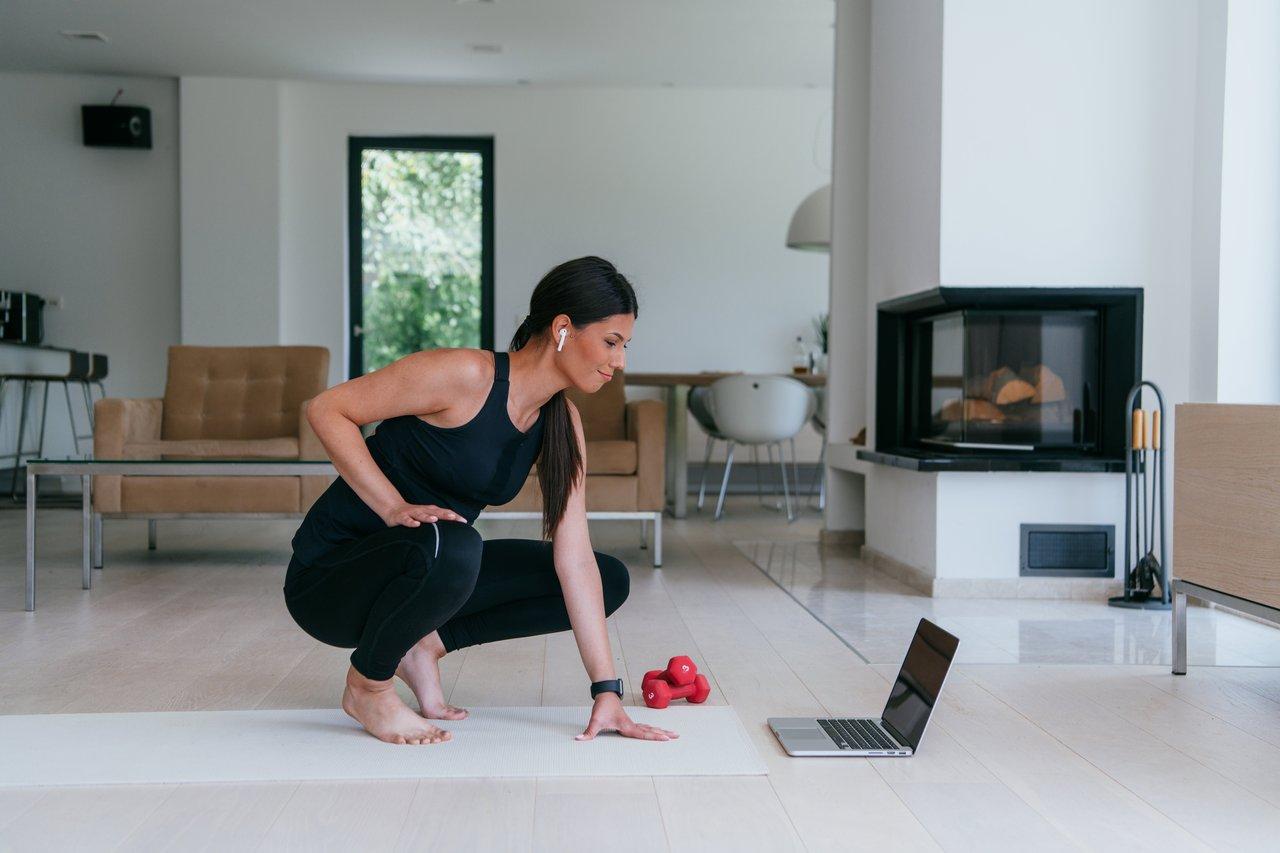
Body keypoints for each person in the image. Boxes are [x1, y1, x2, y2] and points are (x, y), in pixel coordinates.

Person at [282, 256, 678, 747]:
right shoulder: (465, 375)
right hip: (330, 580)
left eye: (625, 346)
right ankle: (367, 687)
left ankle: (420, 646)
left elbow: (573, 558)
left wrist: (607, 691)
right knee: (458, 544)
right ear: (562, 329)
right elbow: (327, 408)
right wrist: (391, 507)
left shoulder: (560, 423)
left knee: (609, 578)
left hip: (430, 567)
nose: (620, 362)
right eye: (611, 342)